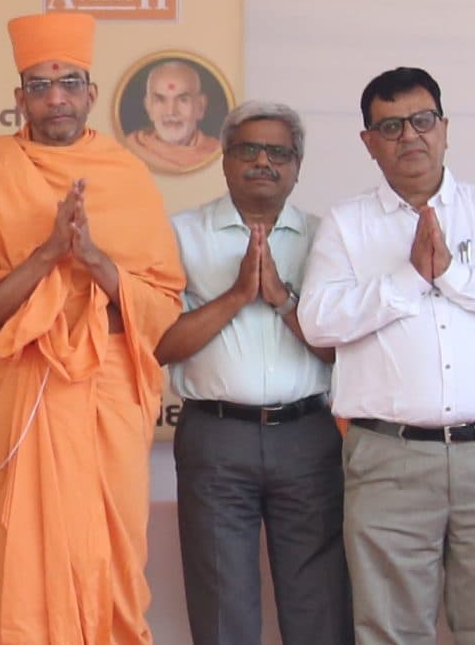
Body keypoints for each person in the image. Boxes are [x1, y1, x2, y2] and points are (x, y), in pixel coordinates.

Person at [298, 67, 475, 645]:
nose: (410, 136)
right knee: (390, 633)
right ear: (369, 142)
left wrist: (453, 275)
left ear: (444, 128)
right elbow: (318, 320)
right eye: (391, 126)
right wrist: (408, 280)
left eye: (422, 120)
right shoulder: (347, 224)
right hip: (388, 458)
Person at [0, 12, 185, 645]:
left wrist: (97, 262)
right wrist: (49, 253)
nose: (56, 97)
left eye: (69, 83)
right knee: (18, 559)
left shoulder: (127, 177)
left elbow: (163, 310)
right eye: (40, 85)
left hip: (109, 385)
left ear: (91, 93)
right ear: (19, 97)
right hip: (24, 384)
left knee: (111, 551)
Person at [156, 103, 343, 645]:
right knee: (222, 606)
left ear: (297, 165)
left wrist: (282, 299)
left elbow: (339, 352)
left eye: (278, 152)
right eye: (249, 149)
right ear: (225, 159)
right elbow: (161, 344)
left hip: (308, 435)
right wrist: (238, 295)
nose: (264, 161)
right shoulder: (181, 234)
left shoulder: (326, 238)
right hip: (216, 435)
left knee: (318, 602)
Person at [120, 56, 232, 177]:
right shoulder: (131, 148)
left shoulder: (217, 153)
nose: (171, 112)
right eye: (160, 100)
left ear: (200, 106)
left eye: (183, 100)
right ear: (149, 107)